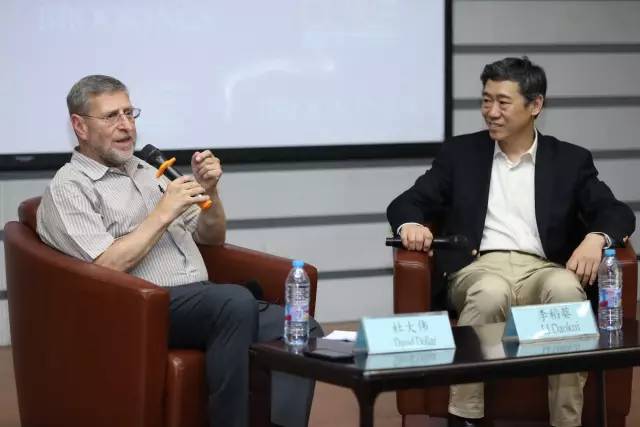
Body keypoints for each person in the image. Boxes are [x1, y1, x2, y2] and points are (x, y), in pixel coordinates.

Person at [37, 75, 322, 427]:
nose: (126, 126)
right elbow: (103, 267)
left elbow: (211, 237)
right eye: (111, 116)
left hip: (202, 299)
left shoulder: (147, 170)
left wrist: (210, 191)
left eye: (129, 113)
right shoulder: (68, 188)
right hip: (140, 307)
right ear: (79, 126)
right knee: (233, 302)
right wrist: (162, 214)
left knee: (301, 328)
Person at [387, 57, 635, 427]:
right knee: (490, 292)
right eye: (486, 100)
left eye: (503, 102)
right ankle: (466, 417)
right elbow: (407, 202)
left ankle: (566, 421)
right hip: (478, 268)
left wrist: (596, 239)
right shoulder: (460, 154)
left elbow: (616, 212)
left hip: (543, 269)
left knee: (566, 291)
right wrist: (410, 225)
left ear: (536, 105)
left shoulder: (569, 160)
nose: (491, 112)